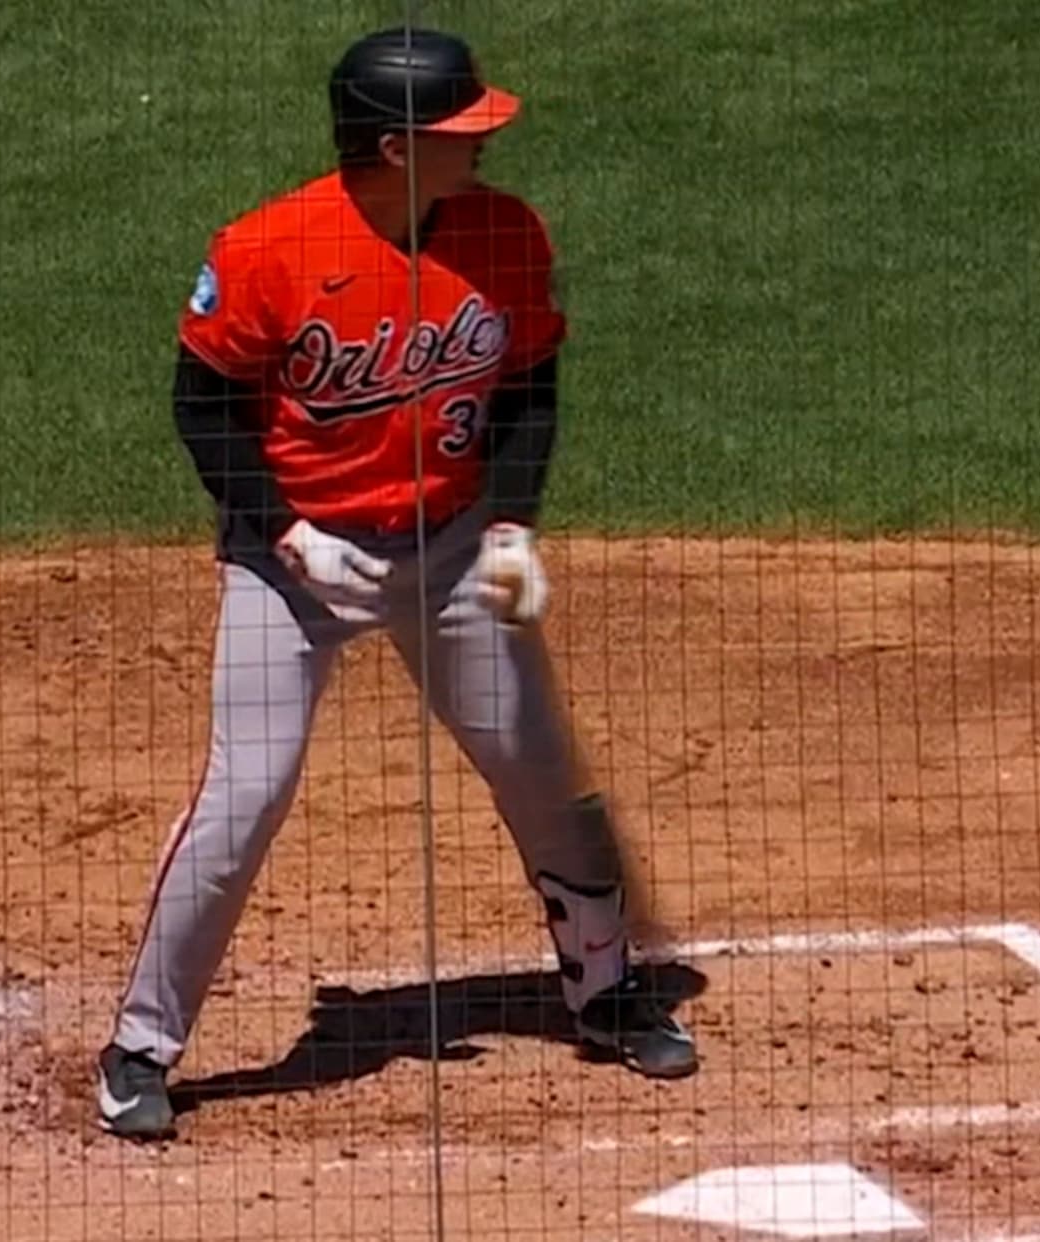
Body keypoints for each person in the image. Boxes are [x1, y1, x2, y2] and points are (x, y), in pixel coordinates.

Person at [94, 26, 706, 1141]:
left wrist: (511, 525)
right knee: (245, 796)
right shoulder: (268, 249)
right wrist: (286, 534)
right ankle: (139, 1046)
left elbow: (530, 385)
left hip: (455, 546)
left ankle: (607, 992)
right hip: (294, 566)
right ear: (395, 148)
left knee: (539, 765)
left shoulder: (505, 232)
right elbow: (202, 407)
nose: (485, 141)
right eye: (462, 129)